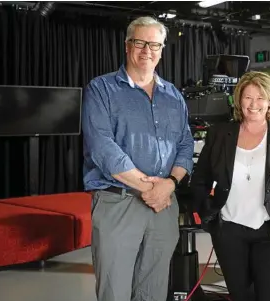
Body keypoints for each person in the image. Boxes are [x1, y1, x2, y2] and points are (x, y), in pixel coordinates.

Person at [82, 16, 194, 301]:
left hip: (163, 206)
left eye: (154, 44)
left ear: (162, 49)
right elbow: (102, 147)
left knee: (153, 291)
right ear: (127, 45)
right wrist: (150, 188)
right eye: (140, 42)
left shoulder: (174, 96)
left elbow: (184, 144)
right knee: (114, 290)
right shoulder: (101, 89)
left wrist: (169, 183)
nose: (147, 50)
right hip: (118, 202)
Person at [191, 71, 270, 301]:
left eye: (260, 98)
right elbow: (200, 179)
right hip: (229, 231)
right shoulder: (220, 133)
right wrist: (209, 216)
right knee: (241, 297)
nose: (253, 104)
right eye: (248, 97)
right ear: (239, 100)